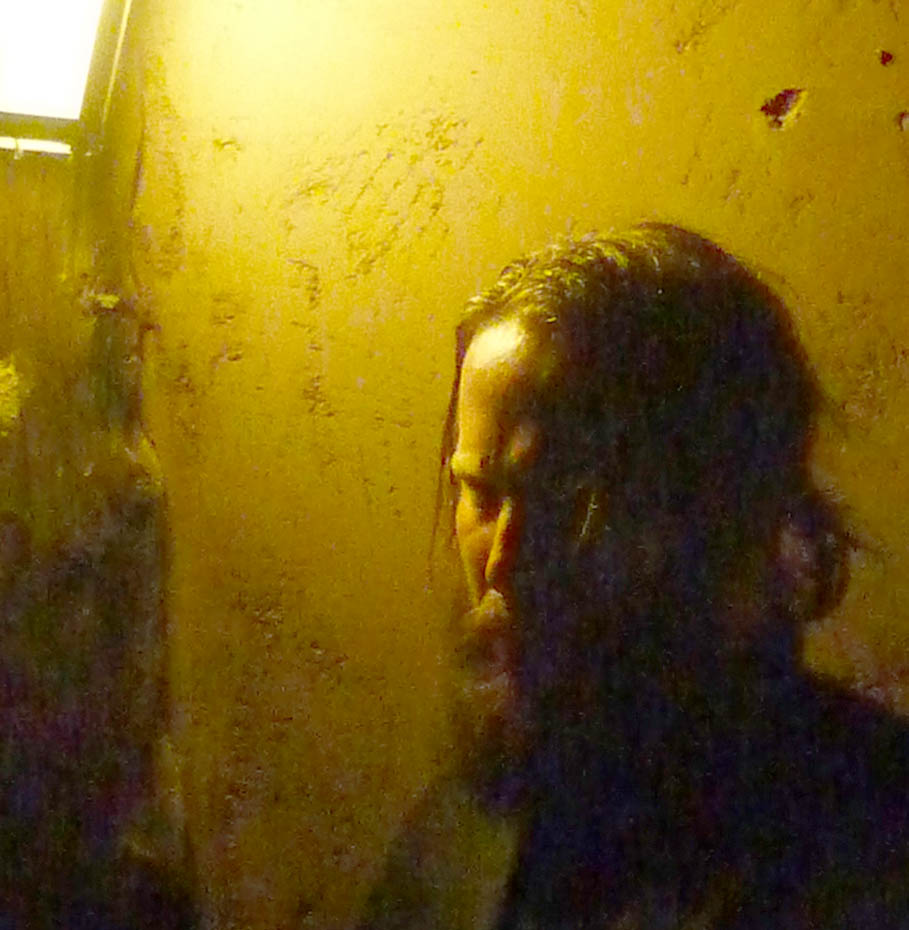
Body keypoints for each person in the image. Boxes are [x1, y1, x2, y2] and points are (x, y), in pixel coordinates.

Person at [358, 224, 909, 930]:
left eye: (572, 501)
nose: (503, 564)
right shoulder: (459, 839)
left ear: (720, 509)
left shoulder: (873, 838)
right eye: (482, 494)